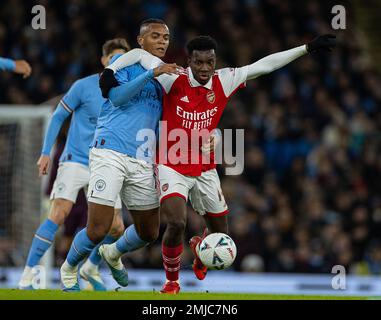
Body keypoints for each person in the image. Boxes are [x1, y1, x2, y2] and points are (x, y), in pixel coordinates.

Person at [98, 34, 336, 293]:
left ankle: (201, 251)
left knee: (221, 233)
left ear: (215, 62)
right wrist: (111, 69)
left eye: (209, 63)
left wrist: (306, 48)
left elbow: (265, 65)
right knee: (177, 222)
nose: (204, 68)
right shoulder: (172, 77)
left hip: (204, 167)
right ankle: (172, 282)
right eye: (198, 63)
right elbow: (139, 54)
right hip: (170, 163)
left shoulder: (225, 79)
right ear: (189, 61)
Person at [59, 19, 181, 292]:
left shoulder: (168, 76)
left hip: (142, 158)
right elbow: (117, 98)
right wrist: (151, 74)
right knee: (98, 228)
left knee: (149, 232)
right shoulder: (127, 65)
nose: (162, 41)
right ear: (141, 40)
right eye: (156, 36)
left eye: (166, 37)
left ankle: (112, 254)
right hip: (110, 151)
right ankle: (68, 268)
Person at [18, 38, 130, 291]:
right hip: (76, 160)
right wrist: (46, 153)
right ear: (104, 61)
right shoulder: (84, 86)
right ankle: (28, 274)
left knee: (115, 228)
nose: (117, 62)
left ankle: (90, 269)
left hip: (106, 164)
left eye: (122, 58)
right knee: (58, 213)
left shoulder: (128, 92)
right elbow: (58, 116)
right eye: (113, 58)